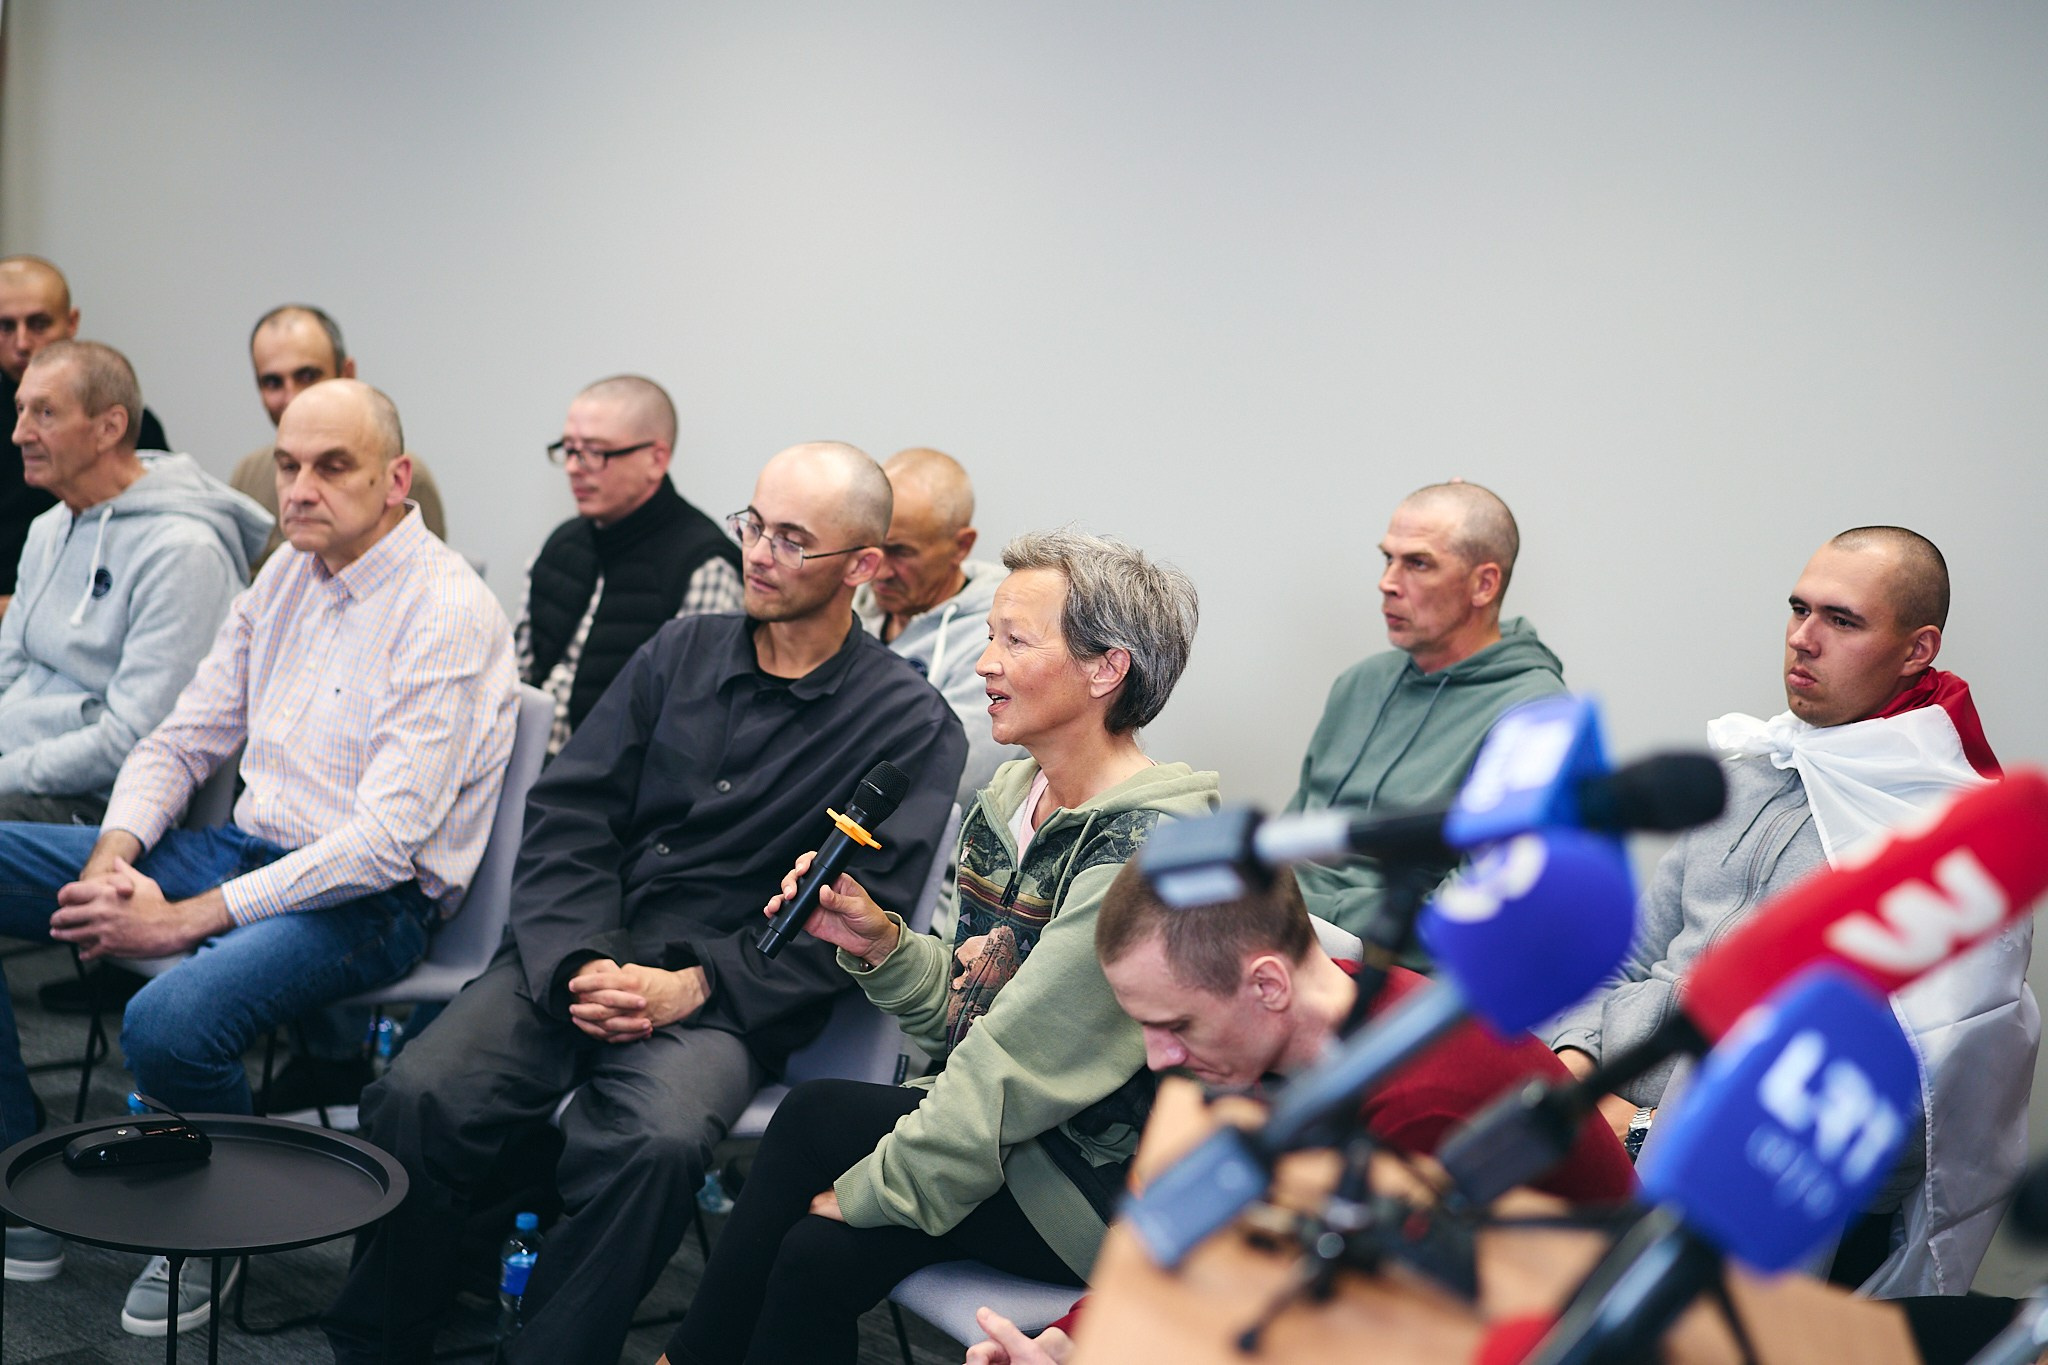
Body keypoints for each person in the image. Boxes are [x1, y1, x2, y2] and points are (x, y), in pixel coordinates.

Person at [324, 442, 967, 1365]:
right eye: (754, 525)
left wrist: (692, 987)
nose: (758, 553)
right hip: (578, 950)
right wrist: (582, 958)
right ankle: (378, 1339)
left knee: (656, 1144)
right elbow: (570, 813)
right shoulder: (678, 650)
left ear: (863, 567)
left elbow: (857, 922)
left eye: (794, 540)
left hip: (727, 998)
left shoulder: (908, 725)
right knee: (419, 1094)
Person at [0, 378, 517, 1334]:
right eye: (287, 465)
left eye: (333, 466)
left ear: (395, 478)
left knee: (166, 1022)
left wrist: (182, 917)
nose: (301, 488)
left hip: (372, 899)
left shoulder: (444, 606)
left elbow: (383, 842)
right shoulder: (285, 574)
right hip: (241, 849)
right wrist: (118, 857)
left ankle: (208, 1230)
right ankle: (11, 1151)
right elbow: (179, 738)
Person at [662, 528, 1220, 1365]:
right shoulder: (1009, 796)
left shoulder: (1147, 848)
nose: (983, 663)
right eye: (989, 635)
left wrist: (865, 1192)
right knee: (815, 1257)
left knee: (817, 1124)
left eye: (1013, 640)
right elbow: (965, 1015)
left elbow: (1014, 1066)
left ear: (1106, 669)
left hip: (1091, 1190)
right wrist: (881, 941)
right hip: (997, 1139)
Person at [1547, 527, 2034, 1297]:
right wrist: (1569, 1073)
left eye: (1842, 620)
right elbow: (1634, 960)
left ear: (1917, 649)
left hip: (1725, 1187)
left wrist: (1640, 1132)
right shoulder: (1745, 772)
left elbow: (1921, 1108)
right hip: (1595, 1112)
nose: (1803, 640)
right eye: (1798, 609)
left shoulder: (1945, 849)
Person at [954, 859, 1641, 1365]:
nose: (1159, 1056)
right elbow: (1201, 1236)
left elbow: (1287, 1323)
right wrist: (1068, 1339)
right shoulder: (1285, 1042)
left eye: (1176, 1024)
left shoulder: (1416, 1108)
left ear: (1268, 984)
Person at [1287, 480, 1564, 949]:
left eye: (1417, 563)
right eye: (1387, 558)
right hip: (1287, 942)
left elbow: (1478, 906)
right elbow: (1294, 839)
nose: (1388, 582)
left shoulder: (1535, 717)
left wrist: (1316, 919)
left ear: (1484, 584)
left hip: (1395, 967)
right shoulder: (1359, 684)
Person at [0, 340, 268, 823]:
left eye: (44, 414)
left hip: (105, 807)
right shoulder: (48, 528)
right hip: (21, 767)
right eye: (21, 410)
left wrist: (9, 771)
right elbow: (7, 668)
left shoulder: (185, 553)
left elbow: (136, 737)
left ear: (109, 428)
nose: (20, 433)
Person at [516, 375, 742, 756]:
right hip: (527, 768)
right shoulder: (560, 546)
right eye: (569, 450)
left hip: (615, 796)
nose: (574, 467)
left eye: (595, 452)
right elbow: (518, 679)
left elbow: (689, 729)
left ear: (656, 459)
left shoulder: (703, 566)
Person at [0, 256, 169, 611]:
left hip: (95, 607)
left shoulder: (126, 421)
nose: (22, 343)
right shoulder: (46, 533)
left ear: (108, 430)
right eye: (5, 326)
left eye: (39, 324)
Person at [854, 447, 1020, 804]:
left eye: (901, 552)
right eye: (871, 547)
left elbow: (947, 775)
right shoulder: (846, 609)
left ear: (961, 546)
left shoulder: (998, 639)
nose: (878, 571)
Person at [229, 304, 447, 571]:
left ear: (347, 373)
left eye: (307, 376)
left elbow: (420, 578)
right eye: (273, 383)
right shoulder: (248, 475)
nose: (292, 397)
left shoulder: (399, 478)